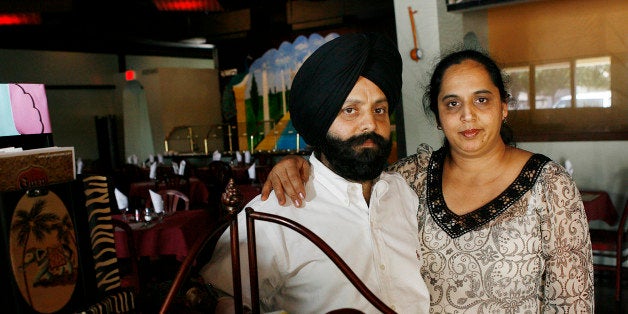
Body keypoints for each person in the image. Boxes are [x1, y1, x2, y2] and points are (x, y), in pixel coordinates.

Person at [261, 48, 595, 312]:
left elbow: (572, 303)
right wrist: (298, 161)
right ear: (437, 116)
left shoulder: (550, 187)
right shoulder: (410, 178)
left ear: (503, 106)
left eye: (482, 99)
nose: (468, 115)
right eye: (452, 103)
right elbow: (350, 169)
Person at [200, 32, 430, 313]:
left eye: (379, 109)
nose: (370, 123)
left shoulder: (404, 193)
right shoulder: (275, 213)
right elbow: (221, 299)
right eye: (350, 110)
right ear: (319, 121)